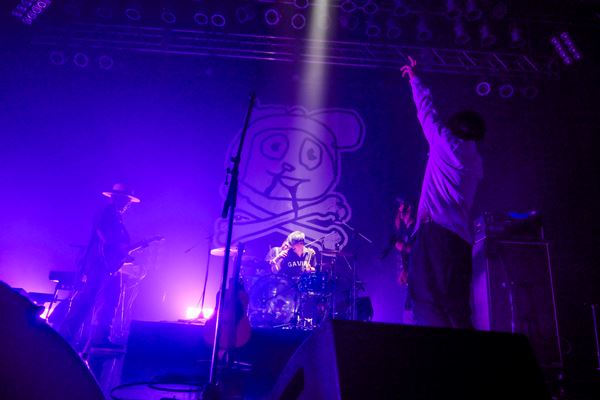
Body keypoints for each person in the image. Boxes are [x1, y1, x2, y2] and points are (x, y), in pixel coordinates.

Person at [401, 57, 484, 329]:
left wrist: (415, 79)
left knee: (427, 302)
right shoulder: (476, 161)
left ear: (455, 128)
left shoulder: (446, 144)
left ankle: (436, 353)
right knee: (457, 308)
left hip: (435, 235)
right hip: (460, 241)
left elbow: (426, 112)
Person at [57, 183, 140, 349]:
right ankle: (64, 337)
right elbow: (105, 237)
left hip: (107, 265)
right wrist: (120, 250)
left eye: (128, 201)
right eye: (126, 200)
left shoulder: (116, 216)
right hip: (99, 264)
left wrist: (123, 253)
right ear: (116, 198)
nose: (127, 204)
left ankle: (100, 338)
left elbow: (113, 243)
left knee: (110, 299)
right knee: (88, 299)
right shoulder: (107, 212)